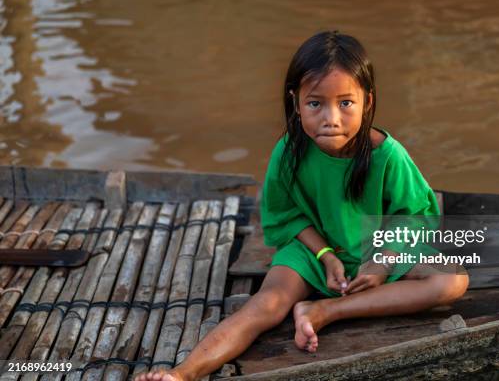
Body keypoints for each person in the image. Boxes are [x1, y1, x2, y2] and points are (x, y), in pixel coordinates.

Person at [135, 30, 469, 381]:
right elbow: (286, 216)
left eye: (345, 103)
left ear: (367, 102)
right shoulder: (289, 153)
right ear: (296, 103)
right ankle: (182, 374)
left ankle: (326, 310)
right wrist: (325, 254)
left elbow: (414, 216)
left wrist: (381, 264)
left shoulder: (386, 155)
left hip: (376, 250)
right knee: (267, 305)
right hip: (312, 253)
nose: (331, 118)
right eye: (315, 103)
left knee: (452, 280)